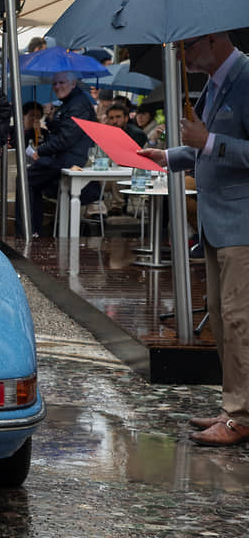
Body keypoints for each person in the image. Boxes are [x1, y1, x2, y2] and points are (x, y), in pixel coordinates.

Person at [138, 32, 249, 447]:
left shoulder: (245, 77)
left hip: (241, 224)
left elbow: (213, 143)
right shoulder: (216, 82)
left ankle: (240, 417)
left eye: (187, 46)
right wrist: (169, 157)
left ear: (214, 41)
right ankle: (234, 407)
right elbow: (199, 146)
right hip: (220, 224)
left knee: (240, 320)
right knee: (222, 318)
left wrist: (210, 142)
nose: (181, 54)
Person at [24, 71, 100, 237]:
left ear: (73, 84)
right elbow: (63, 131)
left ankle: (28, 230)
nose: (57, 86)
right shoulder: (70, 102)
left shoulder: (78, 104)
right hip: (66, 158)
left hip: (71, 161)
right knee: (31, 179)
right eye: (55, 83)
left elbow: (66, 138)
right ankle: (33, 229)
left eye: (62, 82)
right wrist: (51, 119)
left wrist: (40, 151)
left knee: (25, 179)